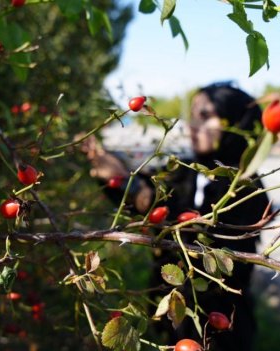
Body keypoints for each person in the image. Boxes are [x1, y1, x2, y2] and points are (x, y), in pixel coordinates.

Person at [82, 82, 269, 350]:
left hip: (221, 328)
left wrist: (130, 186)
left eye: (204, 116)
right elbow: (154, 203)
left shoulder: (247, 190)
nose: (193, 125)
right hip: (176, 320)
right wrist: (119, 178)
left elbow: (210, 249)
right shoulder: (189, 171)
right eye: (193, 116)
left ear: (236, 124)